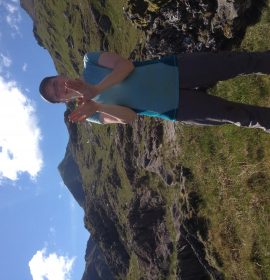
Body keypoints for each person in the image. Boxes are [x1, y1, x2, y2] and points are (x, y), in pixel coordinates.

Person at [39, 51, 270, 132]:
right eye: (56, 94)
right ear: (63, 102)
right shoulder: (91, 114)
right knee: (240, 117)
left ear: (60, 76)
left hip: (176, 69)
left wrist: (95, 89)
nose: (60, 89)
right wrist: (98, 105)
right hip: (175, 107)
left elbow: (126, 66)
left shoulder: (91, 62)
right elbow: (129, 117)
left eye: (55, 84)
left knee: (240, 62)